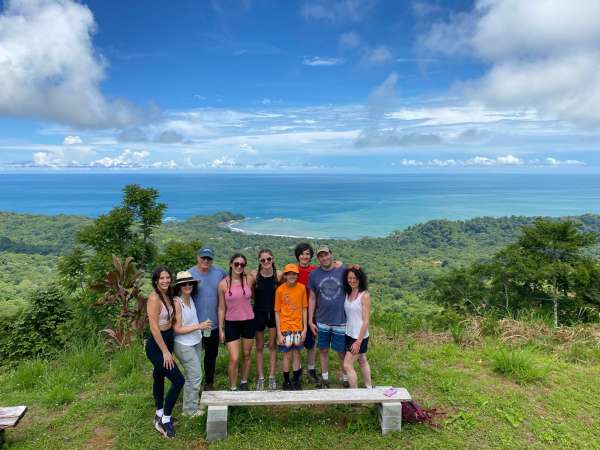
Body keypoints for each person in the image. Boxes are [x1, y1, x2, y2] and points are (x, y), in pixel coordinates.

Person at [146, 266, 184, 439]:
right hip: (157, 344)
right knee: (178, 380)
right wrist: (165, 352)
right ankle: (165, 419)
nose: (165, 281)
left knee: (159, 375)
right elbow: (154, 328)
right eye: (161, 278)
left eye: (168, 277)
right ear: (155, 280)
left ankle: (159, 412)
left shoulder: (168, 296)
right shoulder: (154, 298)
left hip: (167, 338)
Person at [308, 245, 349, 389]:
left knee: (341, 351)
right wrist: (310, 320)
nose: (324, 258)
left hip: (340, 319)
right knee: (323, 349)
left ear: (331, 255)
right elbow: (312, 298)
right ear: (318, 259)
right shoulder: (314, 275)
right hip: (322, 320)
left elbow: (355, 281)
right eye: (321, 256)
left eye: (326, 255)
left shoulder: (343, 270)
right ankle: (325, 378)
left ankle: (345, 378)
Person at [172, 271, 212, 416]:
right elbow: (177, 329)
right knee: (195, 376)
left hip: (195, 341)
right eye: (184, 284)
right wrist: (199, 326)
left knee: (192, 375)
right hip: (183, 344)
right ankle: (190, 411)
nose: (187, 286)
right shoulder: (178, 302)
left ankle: (192, 404)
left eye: (190, 283)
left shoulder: (190, 298)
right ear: (179, 286)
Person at [188, 248, 227, 391]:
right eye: (203, 258)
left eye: (209, 258)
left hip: (213, 325)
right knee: (194, 357)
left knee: (211, 356)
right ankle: (194, 385)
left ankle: (209, 384)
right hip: (194, 326)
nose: (206, 261)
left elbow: (233, 283)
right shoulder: (190, 274)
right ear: (197, 257)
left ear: (213, 260)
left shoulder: (220, 273)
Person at [218, 253, 256, 390]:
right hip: (231, 323)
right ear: (230, 264)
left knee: (246, 355)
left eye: (242, 264)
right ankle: (232, 387)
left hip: (249, 321)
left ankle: (244, 382)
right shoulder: (223, 284)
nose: (239, 266)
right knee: (234, 358)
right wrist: (221, 329)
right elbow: (221, 308)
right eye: (236, 264)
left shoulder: (249, 279)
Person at [250, 249, 281, 390]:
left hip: (274, 314)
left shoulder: (279, 275)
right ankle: (261, 377)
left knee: (273, 346)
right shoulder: (254, 275)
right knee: (259, 347)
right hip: (259, 313)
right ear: (259, 261)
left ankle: (272, 377)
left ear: (273, 259)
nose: (266, 262)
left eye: (268, 259)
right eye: (263, 260)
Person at [275, 264, 308, 390]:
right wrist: (279, 332)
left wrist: (304, 329)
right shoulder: (280, 290)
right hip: (285, 328)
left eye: (294, 274)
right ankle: (286, 380)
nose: (292, 276)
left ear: (297, 275)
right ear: (285, 275)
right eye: (289, 274)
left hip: (298, 327)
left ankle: (296, 380)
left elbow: (304, 309)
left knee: (297, 353)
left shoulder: (302, 288)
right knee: (287, 354)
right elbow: (277, 311)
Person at [342, 267, 372, 389]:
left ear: (360, 279)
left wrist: (358, 342)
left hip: (359, 336)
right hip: (349, 333)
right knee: (362, 360)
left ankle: (355, 395)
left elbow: (366, 321)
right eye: (350, 277)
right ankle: (369, 387)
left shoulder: (364, 295)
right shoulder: (348, 292)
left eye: (355, 278)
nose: (352, 280)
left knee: (347, 365)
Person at [294, 243, 319, 384]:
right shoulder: (292, 270)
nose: (305, 256)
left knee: (311, 343)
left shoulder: (315, 270)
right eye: (302, 253)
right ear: (298, 255)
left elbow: (332, 268)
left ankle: (311, 370)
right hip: (295, 313)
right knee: (296, 343)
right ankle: (297, 371)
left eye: (308, 254)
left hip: (311, 311)